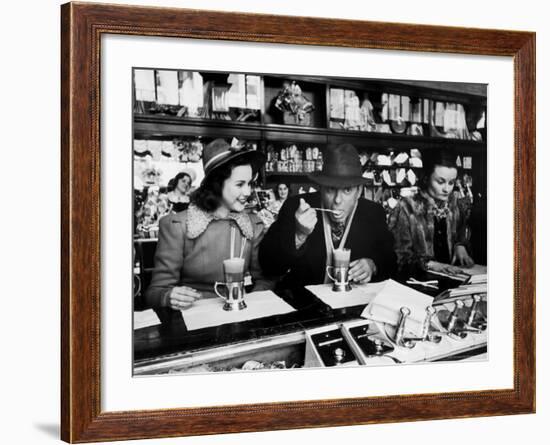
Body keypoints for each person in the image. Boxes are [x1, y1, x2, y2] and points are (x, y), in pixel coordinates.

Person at [144, 138, 269, 323]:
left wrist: (250, 305)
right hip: (193, 323)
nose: (247, 192)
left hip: (240, 318)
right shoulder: (177, 225)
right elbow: (153, 293)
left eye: (250, 184)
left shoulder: (253, 225)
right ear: (216, 184)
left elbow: (265, 281)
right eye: (239, 184)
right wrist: (168, 296)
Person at [259, 144, 396, 288]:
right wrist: (299, 235)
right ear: (321, 187)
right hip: (306, 305)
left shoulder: (373, 213)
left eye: (347, 190)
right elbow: (269, 266)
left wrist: (373, 265)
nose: (337, 200)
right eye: (331, 189)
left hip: (353, 305)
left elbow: (391, 262)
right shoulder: (296, 207)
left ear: (358, 191)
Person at [388, 151, 474, 277]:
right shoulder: (407, 207)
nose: (446, 189)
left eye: (451, 183)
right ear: (426, 178)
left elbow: (463, 233)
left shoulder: (455, 205)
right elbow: (398, 257)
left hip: (453, 280)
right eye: (440, 182)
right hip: (418, 283)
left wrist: (460, 245)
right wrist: (431, 265)